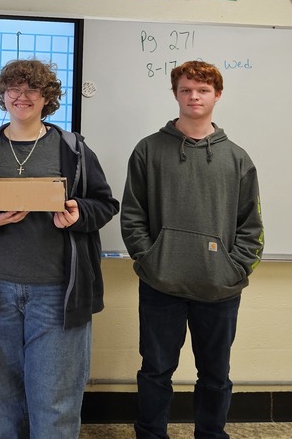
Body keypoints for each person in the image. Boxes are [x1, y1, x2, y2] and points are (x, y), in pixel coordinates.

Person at [0, 59, 118, 438]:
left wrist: (78, 213)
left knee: (55, 400)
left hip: (57, 293)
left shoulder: (72, 148)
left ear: (47, 98)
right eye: (14, 89)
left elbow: (105, 205)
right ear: (3, 95)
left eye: (32, 90)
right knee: (7, 397)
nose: (21, 97)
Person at [121, 60, 264, 439]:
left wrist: (236, 268)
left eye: (202, 90)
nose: (194, 96)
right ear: (175, 95)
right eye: (186, 89)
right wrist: (150, 260)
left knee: (216, 376)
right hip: (161, 284)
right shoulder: (148, 150)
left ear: (217, 95)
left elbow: (251, 225)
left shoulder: (237, 158)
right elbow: (132, 214)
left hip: (219, 289)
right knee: (155, 371)